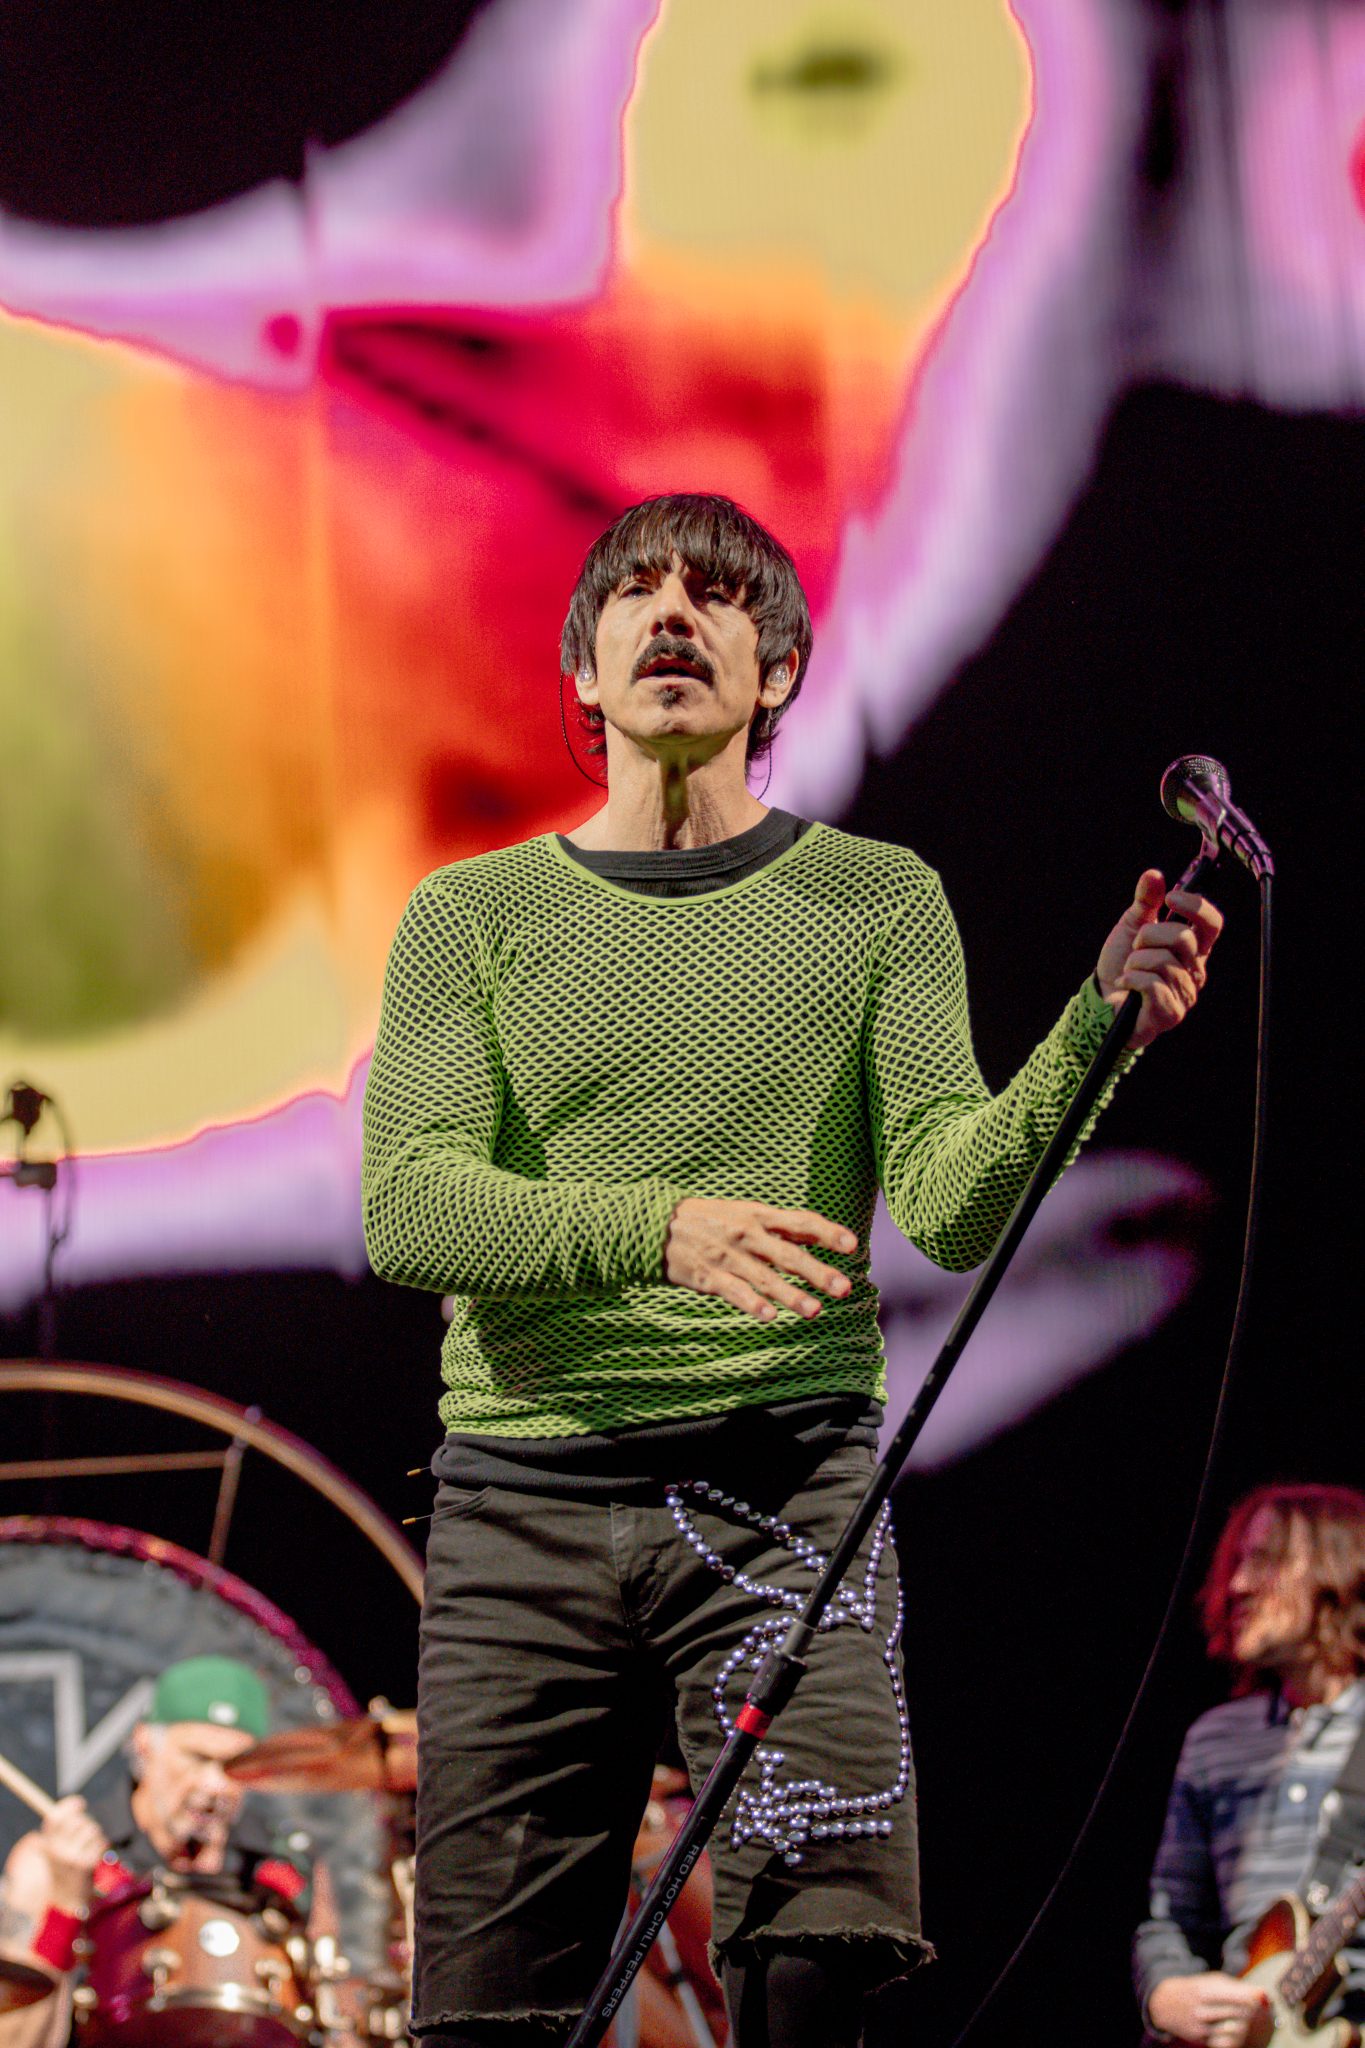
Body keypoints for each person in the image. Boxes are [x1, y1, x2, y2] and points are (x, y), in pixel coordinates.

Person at [362, 490, 1221, 2048]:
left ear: (776, 674)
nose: (670, 614)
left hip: (785, 1493)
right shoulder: (470, 917)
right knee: (490, 2014)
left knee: (816, 1965)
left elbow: (948, 1206)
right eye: (634, 594)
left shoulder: (873, 902)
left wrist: (1094, 1031)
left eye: (715, 594)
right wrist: (663, 1228)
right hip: (522, 1509)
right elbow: (411, 1209)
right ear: (580, 670)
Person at [0, 1655, 345, 2048]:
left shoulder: (283, 1871)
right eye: (198, 1758)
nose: (214, 1785)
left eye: (235, 1765)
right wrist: (64, 1903)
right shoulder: (56, 1859)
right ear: (144, 1742)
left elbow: (338, 2024)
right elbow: (15, 2040)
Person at [1134, 1484, 1365, 2048]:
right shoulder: (1216, 1740)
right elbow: (1172, 1918)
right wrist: (1164, 1995)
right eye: (1237, 1564)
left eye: (1265, 1561)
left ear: (1340, 1569)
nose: (1237, 1585)